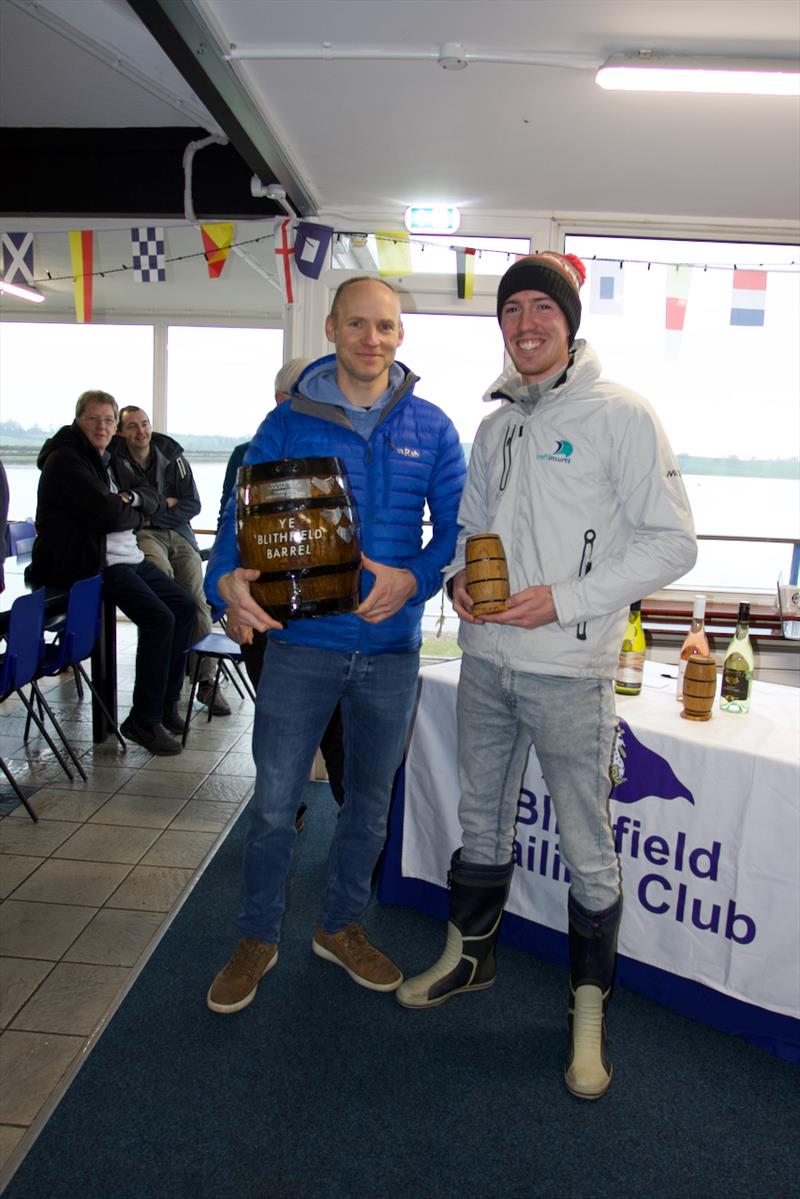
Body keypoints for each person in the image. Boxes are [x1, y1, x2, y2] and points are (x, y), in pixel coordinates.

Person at [396, 252, 697, 1101]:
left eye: (542, 309)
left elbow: (673, 542)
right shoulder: (492, 428)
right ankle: (471, 957)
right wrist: (457, 579)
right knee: (480, 817)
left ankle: (589, 1008)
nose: (526, 324)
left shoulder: (620, 414)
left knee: (585, 847)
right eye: (512, 310)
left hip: (570, 668)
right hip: (486, 664)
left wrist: (563, 599)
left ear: (568, 323)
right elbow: (467, 528)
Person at [205, 276, 466, 1013]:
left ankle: (341, 925)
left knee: (370, 804)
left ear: (400, 334)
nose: (371, 339)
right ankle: (258, 934)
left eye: (384, 326)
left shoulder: (434, 428)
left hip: (390, 650)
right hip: (302, 646)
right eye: (357, 325)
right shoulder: (286, 422)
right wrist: (224, 580)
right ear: (332, 327)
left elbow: (455, 531)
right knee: (274, 803)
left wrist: (413, 579)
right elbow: (237, 517)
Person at [28, 390, 196, 756]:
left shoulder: (105, 458)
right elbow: (107, 514)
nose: (102, 426)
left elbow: (148, 494)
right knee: (159, 620)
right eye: (94, 419)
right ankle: (142, 720)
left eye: (108, 420)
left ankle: (166, 703)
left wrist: (130, 501)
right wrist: (133, 508)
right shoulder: (67, 461)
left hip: (127, 555)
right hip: (92, 564)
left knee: (183, 607)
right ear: (78, 421)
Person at [217, 356, 345, 828]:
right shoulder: (247, 454)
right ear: (281, 401)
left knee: (337, 730)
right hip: (266, 618)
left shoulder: (337, 456)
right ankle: (280, 816)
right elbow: (225, 530)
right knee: (280, 732)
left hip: (327, 623)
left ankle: (357, 831)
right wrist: (229, 600)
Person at [115, 406, 230, 716]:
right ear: (121, 432)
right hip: (142, 536)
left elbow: (192, 503)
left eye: (145, 424)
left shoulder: (172, 456)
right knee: (160, 591)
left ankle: (206, 681)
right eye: (132, 427)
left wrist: (152, 513)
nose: (141, 432)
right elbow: (117, 508)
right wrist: (155, 510)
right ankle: (166, 681)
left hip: (178, 533)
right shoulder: (112, 461)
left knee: (197, 600)